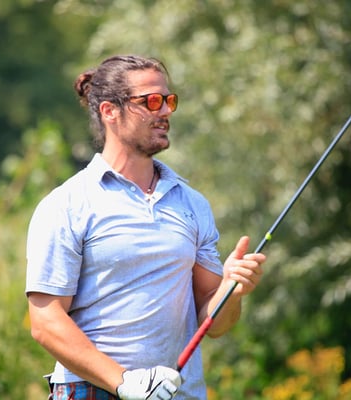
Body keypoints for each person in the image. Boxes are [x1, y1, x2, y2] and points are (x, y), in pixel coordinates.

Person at [25, 55, 267, 400]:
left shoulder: (192, 203)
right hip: (92, 392)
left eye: (169, 100)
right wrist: (125, 382)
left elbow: (214, 324)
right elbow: (46, 323)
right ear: (110, 111)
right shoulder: (66, 204)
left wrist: (232, 289)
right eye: (151, 101)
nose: (165, 111)